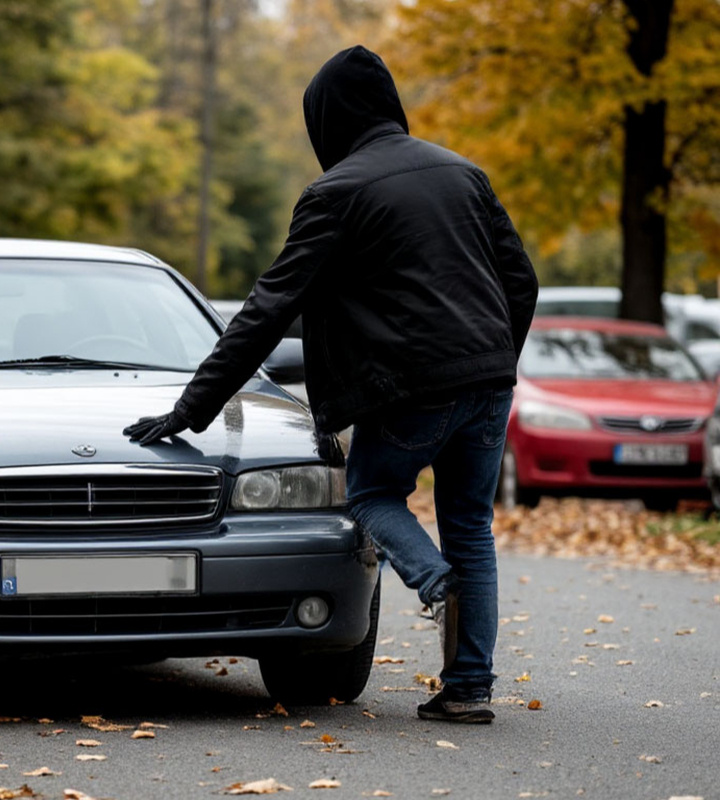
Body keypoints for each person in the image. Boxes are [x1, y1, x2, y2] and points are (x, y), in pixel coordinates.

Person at [124, 45, 538, 724]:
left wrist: (189, 409)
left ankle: (435, 580)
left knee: (373, 494)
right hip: (488, 383)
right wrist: (495, 359)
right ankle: (468, 688)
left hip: (411, 389)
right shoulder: (466, 174)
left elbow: (267, 310)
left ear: (328, 120)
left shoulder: (336, 193)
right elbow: (521, 282)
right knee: (470, 525)